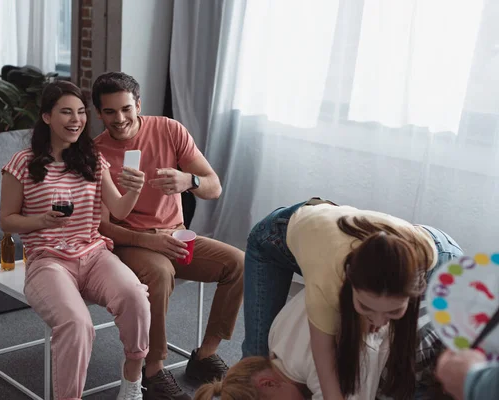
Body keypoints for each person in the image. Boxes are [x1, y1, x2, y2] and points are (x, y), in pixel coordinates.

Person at [92, 71, 244, 400]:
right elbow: (104, 226)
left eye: (126, 109)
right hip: (130, 242)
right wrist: (152, 241)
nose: (119, 119)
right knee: (159, 273)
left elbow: (213, 186)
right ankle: (154, 370)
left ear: (138, 105)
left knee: (238, 263)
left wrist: (189, 181)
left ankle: (204, 355)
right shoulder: (96, 153)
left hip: (176, 235)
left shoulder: (168, 129)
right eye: (109, 112)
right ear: (99, 113)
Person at [0, 81, 151, 400]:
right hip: (48, 261)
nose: (76, 120)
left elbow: (120, 208)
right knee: (76, 323)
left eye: (81, 112)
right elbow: (6, 220)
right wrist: (41, 220)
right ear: (46, 117)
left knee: (135, 296)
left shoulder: (92, 160)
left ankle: (132, 381)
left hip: (95, 255)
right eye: (66, 112)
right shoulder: (22, 164)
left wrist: (135, 188)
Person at [242, 198, 464, 399]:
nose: (377, 323)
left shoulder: (422, 267)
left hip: (438, 255)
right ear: (349, 285)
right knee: (256, 357)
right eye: (365, 307)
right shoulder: (329, 280)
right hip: (276, 238)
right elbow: (327, 374)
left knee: (417, 368)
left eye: (393, 311)